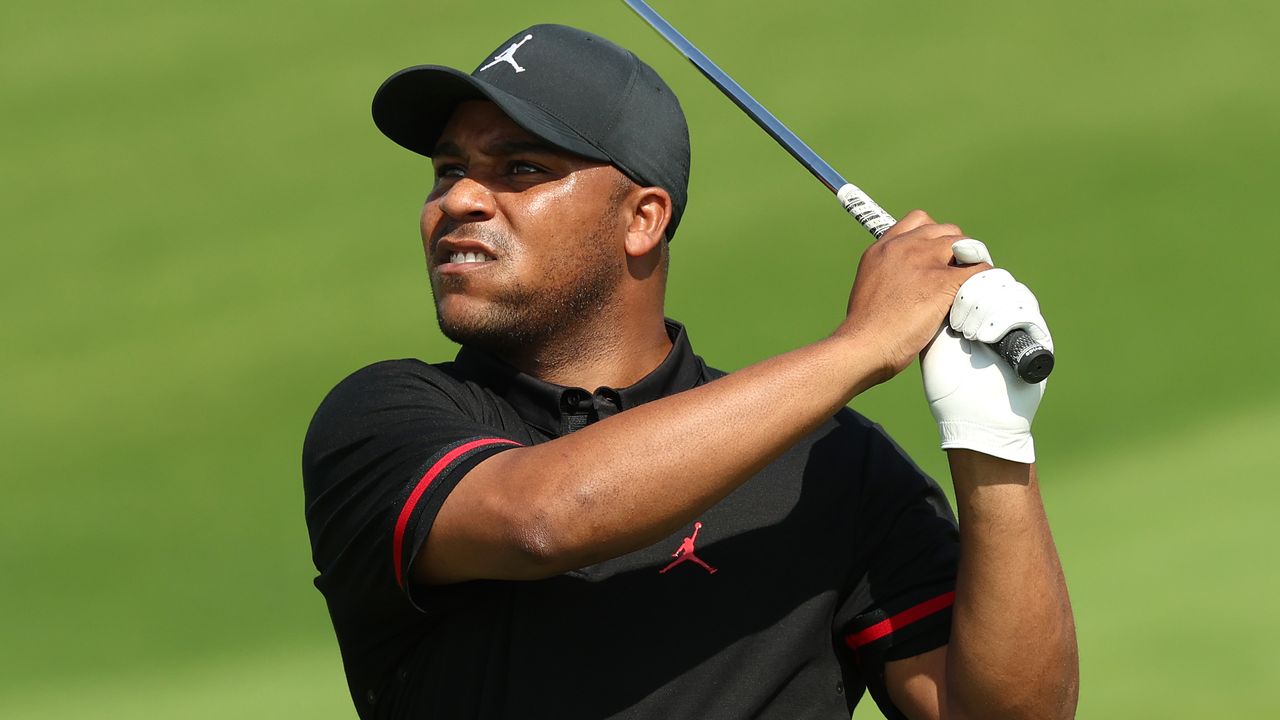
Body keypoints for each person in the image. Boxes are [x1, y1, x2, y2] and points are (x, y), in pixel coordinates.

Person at [302, 23, 1078, 720]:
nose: (459, 199)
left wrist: (991, 445)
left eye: (521, 168)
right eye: (448, 169)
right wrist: (862, 345)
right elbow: (542, 519)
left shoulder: (832, 467)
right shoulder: (386, 419)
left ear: (643, 219)